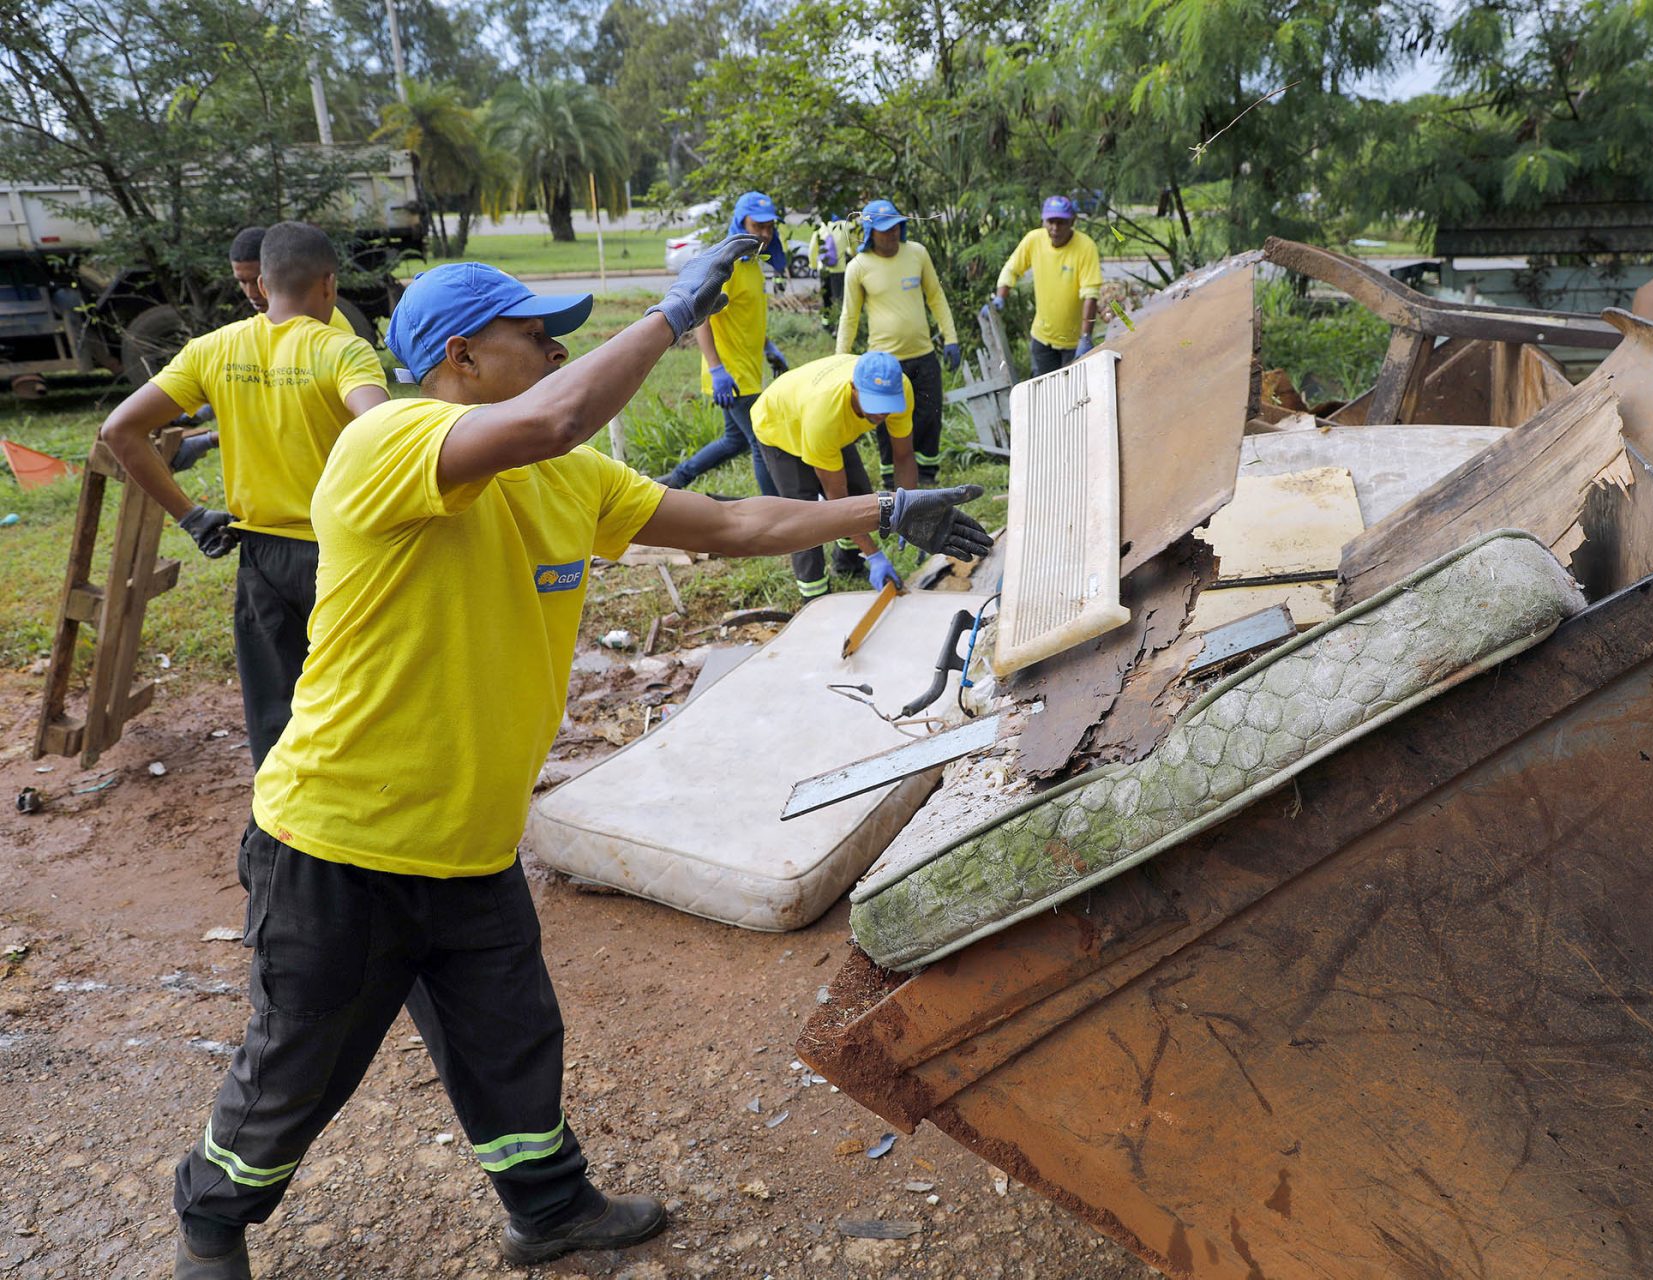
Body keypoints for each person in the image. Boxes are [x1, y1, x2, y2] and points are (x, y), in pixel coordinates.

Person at [167, 236, 990, 1280]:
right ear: (459, 358)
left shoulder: (570, 474)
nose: (557, 350)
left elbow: (737, 518)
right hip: (338, 838)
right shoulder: (388, 443)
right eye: (536, 334)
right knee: (298, 1058)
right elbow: (555, 413)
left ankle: (547, 1208)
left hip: (468, 843)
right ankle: (211, 1221)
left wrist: (883, 508)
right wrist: (673, 318)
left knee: (510, 1038)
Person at [100, 222, 390, 768]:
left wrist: (189, 517)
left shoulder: (212, 350)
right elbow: (383, 431)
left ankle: (277, 836)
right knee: (362, 701)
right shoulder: (344, 351)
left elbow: (120, 431)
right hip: (344, 558)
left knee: (275, 712)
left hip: (261, 560)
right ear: (328, 284)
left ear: (264, 283)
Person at [751, 351, 920, 598]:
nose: (882, 415)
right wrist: (875, 554)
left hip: (823, 420)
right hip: (780, 425)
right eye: (875, 405)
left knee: (861, 495)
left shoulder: (901, 389)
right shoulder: (824, 416)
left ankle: (848, 563)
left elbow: (904, 456)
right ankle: (814, 595)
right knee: (804, 516)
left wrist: (910, 513)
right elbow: (838, 502)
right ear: (853, 388)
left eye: (887, 407)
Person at [654, 192, 787, 495]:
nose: (765, 234)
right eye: (758, 226)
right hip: (732, 373)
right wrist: (717, 370)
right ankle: (773, 508)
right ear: (741, 223)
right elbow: (703, 319)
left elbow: (747, 317)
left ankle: (676, 480)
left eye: (770, 227)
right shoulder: (729, 267)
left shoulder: (753, 263)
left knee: (734, 440)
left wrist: (769, 349)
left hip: (749, 367)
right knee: (760, 440)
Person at [836, 197, 961, 488]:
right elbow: (849, 317)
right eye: (884, 230)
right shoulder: (858, 267)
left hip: (923, 353)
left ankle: (927, 476)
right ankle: (892, 480)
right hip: (884, 361)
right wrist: (839, 360)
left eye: (896, 228)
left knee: (929, 415)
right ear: (870, 233)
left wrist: (951, 337)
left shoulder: (917, 254)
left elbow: (936, 297)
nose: (892, 234)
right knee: (884, 420)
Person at [994, 195, 1104, 376]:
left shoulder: (1085, 247)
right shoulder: (1034, 240)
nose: (1055, 228)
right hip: (1042, 338)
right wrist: (1000, 296)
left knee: (1072, 396)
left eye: (1061, 222)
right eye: (1050, 222)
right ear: (1043, 221)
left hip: (1073, 342)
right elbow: (1011, 269)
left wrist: (1085, 337)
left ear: (1072, 222)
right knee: (1043, 392)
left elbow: (1090, 295)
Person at [229, 225, 360, 337]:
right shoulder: (257, 328)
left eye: (255, 281)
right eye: (242, 282)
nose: (251, 293)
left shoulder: (331, 327)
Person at [808, 210, 855, 332]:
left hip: (823, 269)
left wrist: (813, 266)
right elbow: (854, 248)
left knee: (826, 298)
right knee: (839, 299)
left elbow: (813, 248)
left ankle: (826, 325)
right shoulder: (847, 226)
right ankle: (839, 327)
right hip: (839, 270)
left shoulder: (821, 227)